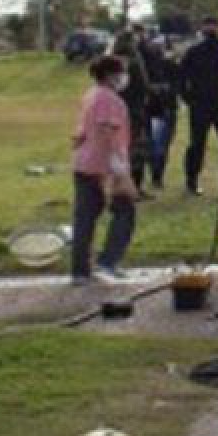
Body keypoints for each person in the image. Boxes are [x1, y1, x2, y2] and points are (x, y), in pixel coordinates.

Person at [69, 55, 138, 283]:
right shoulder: (110, 100)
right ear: (111, 75)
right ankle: (108, 260)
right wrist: (119, 170)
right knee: (125, 211)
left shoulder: (91, 95)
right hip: (103, 165)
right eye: (122, 72)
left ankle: (80, 271)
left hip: (84, 162)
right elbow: (107, 132)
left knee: (85, 218)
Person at [178, 15, 218, 195]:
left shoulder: (195, 51)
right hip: (217, 103)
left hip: (204, 103)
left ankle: (192, 181)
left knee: (199, 144)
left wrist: (188, 98)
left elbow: (180, 78)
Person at [109, 27, 155, 196]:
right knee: (136, 149)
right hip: (134, 109)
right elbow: (143, 85)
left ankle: (118, 185)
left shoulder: (111, 62)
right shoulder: (134, 62)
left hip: (115, 111)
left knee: (118, 148)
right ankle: (133, 186)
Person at [139, 28, 180, 192]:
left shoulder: (170, 65)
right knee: (153, 145)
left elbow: (177, 85)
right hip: (153, 109)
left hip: (165, 109)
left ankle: (157, 176)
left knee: (161, 145)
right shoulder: (146, 66)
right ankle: (155, 176)